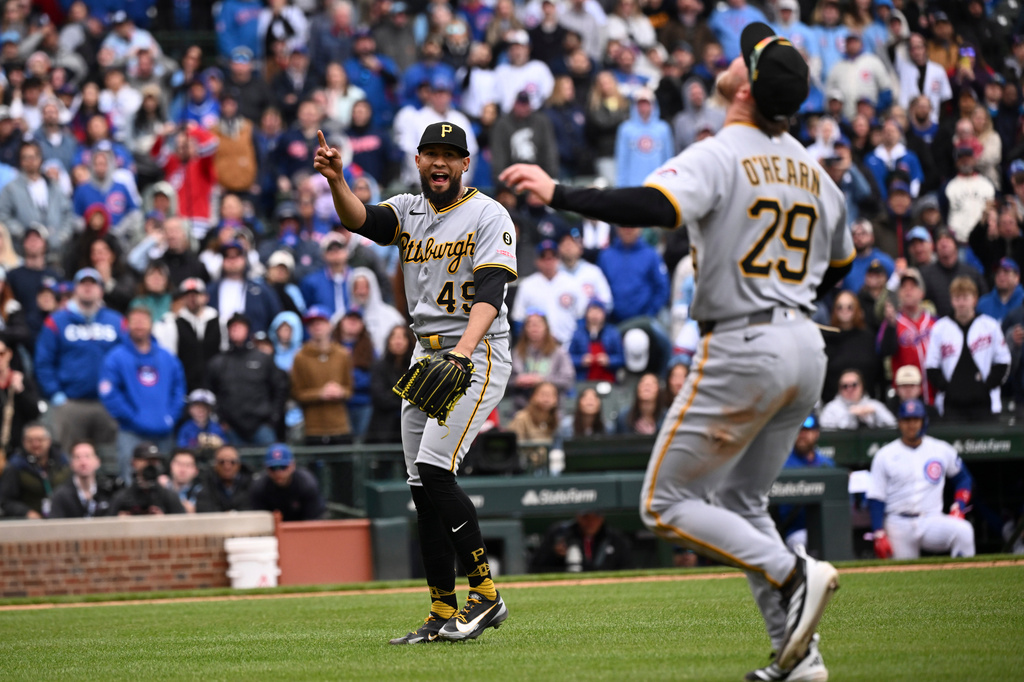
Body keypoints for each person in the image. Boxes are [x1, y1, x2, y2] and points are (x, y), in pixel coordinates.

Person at [499, 23, 847, 679]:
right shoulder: (814, 169)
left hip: (745, 342)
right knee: (743, 503)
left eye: (743, 58)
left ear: (744, 87)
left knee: (664, 503)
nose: (732, 60)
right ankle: (800, 662)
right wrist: (787, 287)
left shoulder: (722, 150)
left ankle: (792, 569)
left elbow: (652, 206)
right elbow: (841, 265)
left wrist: (559, 192)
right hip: (806, 343)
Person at [316, 120, 515, 643]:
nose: (441, 162)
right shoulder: (408, 209)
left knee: (435, 469)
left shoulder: (489, 214)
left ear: (466, 163)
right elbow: (361, 220)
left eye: (451, 154)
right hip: (425, 357)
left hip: (476, 350)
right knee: (421, 488)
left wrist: (464, 354)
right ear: (419, 160)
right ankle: (442, 610)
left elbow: (491, 293)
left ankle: (487, 597)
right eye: (432, 153)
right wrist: (338, 181)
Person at [867, 399, 975, 560]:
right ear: (899, 423)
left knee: (963, 530)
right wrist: (878, 532)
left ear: (923, 421)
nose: (911, 425)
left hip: (931, 519)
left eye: (916, 419)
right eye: (906, 420)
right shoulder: (885, 454)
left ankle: (964, 580)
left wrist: (959, 505)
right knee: (900, 577)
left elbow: (963, 478)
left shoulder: (940, 449)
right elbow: (876, 497)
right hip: (898, 523)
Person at [34, 268, 123, 455]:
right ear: (75, 289)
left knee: (109, 461)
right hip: (70, 403)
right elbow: (43, 361)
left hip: (107, 403)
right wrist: (55, 394)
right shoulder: (57, 321)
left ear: (101, 290)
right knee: (68, 460)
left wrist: (120, 394)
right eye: (83, 284)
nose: (88, 288)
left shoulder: (116, 321)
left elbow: (128, 358)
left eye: (93, 284)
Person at [99, 306, 186, 482]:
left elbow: (179, 390)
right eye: (135, 321)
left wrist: (170, 417)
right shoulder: (115, 357)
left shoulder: (167, 357)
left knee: (164, 482)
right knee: (131, 481)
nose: (139, 325)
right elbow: (109, 393)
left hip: (163, 432)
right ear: (127, 324)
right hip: (131, 432)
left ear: (151, 324)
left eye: (143, 321)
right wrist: (132, 418)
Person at [925, 277, 1009, 422]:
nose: (961, 302)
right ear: (951, 300)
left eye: (965, 297)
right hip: (951, 406)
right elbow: (931, 365)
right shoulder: (940, 328)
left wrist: (986, 385)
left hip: (985, 405)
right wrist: (947, 388)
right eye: (957, 298)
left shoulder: (990, 325)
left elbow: (1003, 361)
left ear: (974, 299)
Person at [208, 313, 289, 446]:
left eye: (240, 326)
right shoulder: (218, 362)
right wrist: (221, 420)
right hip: (231, 428)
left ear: (248, 330)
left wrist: (273, 419)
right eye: (232, 327)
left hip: (262, 425)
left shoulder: (263, 359)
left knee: (269, 463)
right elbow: (211, 393)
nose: (236, 330)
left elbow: (280, 389)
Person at [290, 305, 353, 446]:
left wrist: (340, 391)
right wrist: (320, 394)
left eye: (321, 322)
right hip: (313, 428)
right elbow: (296, 393)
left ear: (329, 325)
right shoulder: (300, 357)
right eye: (312, 323)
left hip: (340, 426)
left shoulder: (343, 354)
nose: (317, 326)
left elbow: (349, 389)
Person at [775, 414, 834, 554]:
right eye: (799, 431)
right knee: (802, 543)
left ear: (816, 433)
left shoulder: (826, 464)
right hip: (795, 530)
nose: (802, 435)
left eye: (807, 431)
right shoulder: (783, 463)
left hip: (826, 530)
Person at [152, 277, 221, 393]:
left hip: (215, 386)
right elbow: (170, 356)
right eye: (188, 295)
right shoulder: (172, 322)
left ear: (206, 297)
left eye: (196, 294)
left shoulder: (219, 321)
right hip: (186, 386)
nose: (192, 298)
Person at [0, 423, 71, 518]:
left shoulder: (64, 463)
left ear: (49, 441)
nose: (35, 444)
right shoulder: (15, 466)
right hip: (29, 523)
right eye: (30, 441)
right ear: (24, 442)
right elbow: (5, 500)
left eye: (40, 440)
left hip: (61, 518)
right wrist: (26, 512)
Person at [529, 509, 633, 573]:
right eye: (586, 516)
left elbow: (627, 569)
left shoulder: (615, 539)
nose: (591, 521)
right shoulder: (560, 534)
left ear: (602, 518)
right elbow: (535, 567)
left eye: (595, 517)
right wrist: (555, 555)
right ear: (578, 517)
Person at [249, 443, 325, 521]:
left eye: (283, 467)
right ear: (266, 468)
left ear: (292, 465)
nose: (278, 472)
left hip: (302, 528)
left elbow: (314, 520)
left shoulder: (306, 483)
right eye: (273, 468)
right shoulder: (260, 487)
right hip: (271, 531)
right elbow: (259, 522)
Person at [366, 325, 415, 444]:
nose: (398, 341)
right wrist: (404, 398)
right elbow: (380, 397)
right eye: (394, 337)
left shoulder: (415, 367)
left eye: (402, 337)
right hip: (383, 428)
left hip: (411, 426)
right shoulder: (379, 367)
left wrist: (394, 394)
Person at [109, 442, 186, 516]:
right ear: (134, 462)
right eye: (147, 460)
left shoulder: (168, 497)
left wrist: (163, 521)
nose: (151, 465)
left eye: (155, 461)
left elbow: (183, 526)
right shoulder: (122, 498)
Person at [49, 441, 119, 518]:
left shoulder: (109, 492)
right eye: (77, 457)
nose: (83, 462)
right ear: (71, 464)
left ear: (98, 462)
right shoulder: (61, 495)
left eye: (87, 456)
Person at [819, 369, 897, 430]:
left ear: (862, 386)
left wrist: (875, 414)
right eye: (845, 386)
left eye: (854, 385)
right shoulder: (831, 409)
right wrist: (851, 415)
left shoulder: (874, 405)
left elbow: (893, 426)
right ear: (839, 389)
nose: (850, 389)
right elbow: (825, 432)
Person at [569, 300, 625, 383]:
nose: (594, 315)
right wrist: (581, 360)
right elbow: (568, 359)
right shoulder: (578, 333)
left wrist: (609, 360)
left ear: (604, 314)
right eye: (592, 311)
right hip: (584, 380)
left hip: (608, 380)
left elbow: (622, 358)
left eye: (598, 312)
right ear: (586, 314)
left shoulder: (612, 333)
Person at [195, 444, 254, 513]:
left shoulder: (252, 486)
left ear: (239, 464)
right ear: (215, 465)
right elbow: (204, 512)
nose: (227, 466)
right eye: (222, 462)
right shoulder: (206, 486)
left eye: (232, 462)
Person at [176, 388, 228, 456]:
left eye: (205, 407)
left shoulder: (216, 428)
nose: (201, 411)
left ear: (210, 410)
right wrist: (197, 445)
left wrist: (220, 443)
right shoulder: (185, 429)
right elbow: (181, 449)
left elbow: (227, 448)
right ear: (189, 409)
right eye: (197, 407)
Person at [165, 447, 202, 513]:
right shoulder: (162, 487)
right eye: (179, 464)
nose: (183, 469)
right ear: (170, 466)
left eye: (188, 465)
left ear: (196, 470)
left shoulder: (201, 491)